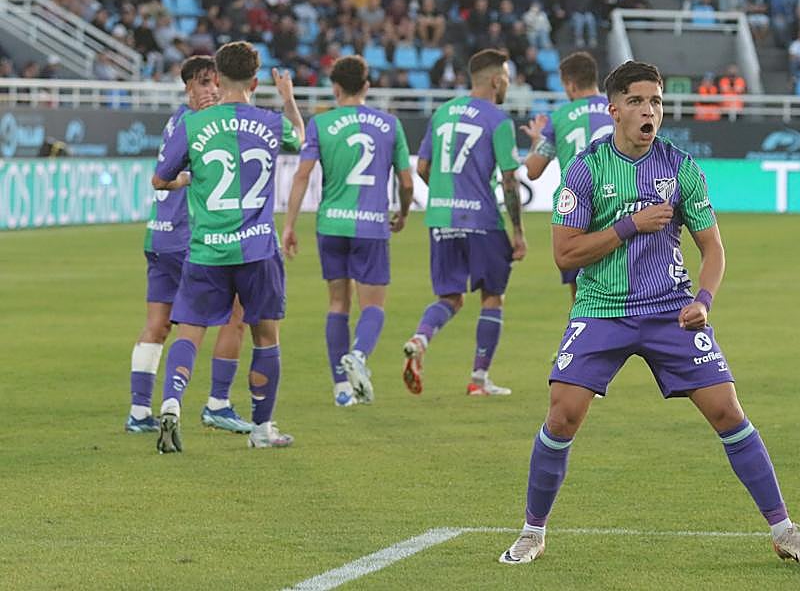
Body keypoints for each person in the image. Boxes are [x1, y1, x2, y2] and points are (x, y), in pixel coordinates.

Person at [497, 61, 800, 568]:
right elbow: (565, 255)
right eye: (637, 101)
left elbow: (713, 248)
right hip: (602, 310)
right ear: (613, 110)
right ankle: (532, 531)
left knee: (728, 412)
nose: (649, 110)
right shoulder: (585, 169)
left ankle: (784, 530)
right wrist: (628, 226)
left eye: (655, 101)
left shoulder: (681, 168)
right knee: (562, 416)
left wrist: (704, 300)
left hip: (670, 311)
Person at [151, 42, 303, 452]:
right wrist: (288, 99)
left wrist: (188, 180)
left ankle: (170, 403)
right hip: (257, 249)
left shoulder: (194, 124)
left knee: (189, 330)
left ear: (216, 79)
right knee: (265, 336)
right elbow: (301, 139)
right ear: (256, 81)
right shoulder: (271, 122)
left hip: (207, 249)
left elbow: (161, 179)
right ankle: (261, 429)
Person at [127, 56, 252, 436]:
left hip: (158, 234)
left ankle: (138, 412)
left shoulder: (176, 120)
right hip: (186, 237)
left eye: (216, 83)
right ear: (187, 87)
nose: (212, 90)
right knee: (235, 312)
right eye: (203, 83)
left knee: (157, 325)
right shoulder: (197, 124)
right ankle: (218, 402)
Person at [282, 55, 414, 407]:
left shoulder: (320, 125)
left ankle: (341, 388)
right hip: (371, 226)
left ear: (335, 88)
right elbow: (406, 181)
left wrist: (290, 225)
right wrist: (402, 212)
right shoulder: (390, 125)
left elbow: (301, 176)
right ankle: (357, 355)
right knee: (373, 306)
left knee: (337, 304)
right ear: (367, 87)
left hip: (331, 225)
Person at [401, 49, 526, 397]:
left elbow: (423, 168)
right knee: (492, 297)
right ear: (496, 80)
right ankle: (479, 380)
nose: (508, 84)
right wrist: (517, 232)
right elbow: (510, 180)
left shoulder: (442, 113)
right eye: (507, 78)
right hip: (482, 220)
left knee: (450, 297)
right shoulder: (498, 120)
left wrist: (445, 194)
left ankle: (420, 337)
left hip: (440, 217)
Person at [520, 51, 614, 299]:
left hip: (576, 214)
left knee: (581, 297)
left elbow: (533, 170)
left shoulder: (558, 118)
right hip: (617, 205)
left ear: (570, 84)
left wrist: (536, 140)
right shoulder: (618, 110)